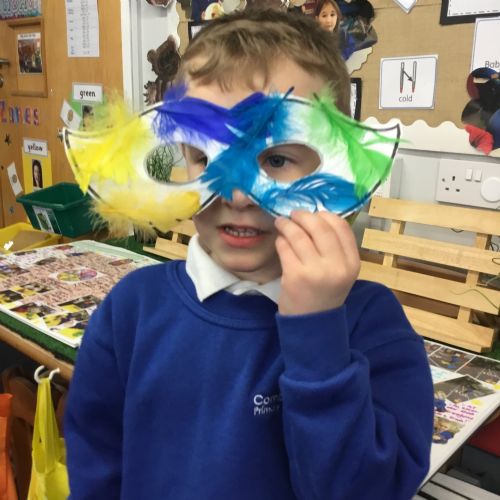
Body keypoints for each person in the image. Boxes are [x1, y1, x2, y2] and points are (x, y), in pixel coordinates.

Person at [64, 8, 434, 500]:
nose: (237, 195)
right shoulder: (131, 309)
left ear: (338, 163)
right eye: (204, 156)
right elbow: (95, 458)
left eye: (276, 158)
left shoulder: (370, 324)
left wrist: (318, 334)